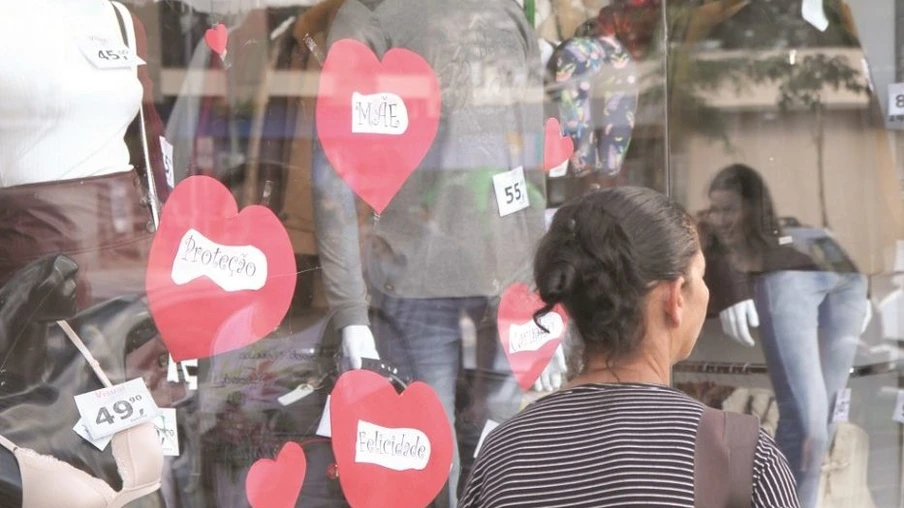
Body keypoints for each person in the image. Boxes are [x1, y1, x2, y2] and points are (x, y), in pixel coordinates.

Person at [459, 186, 799, 508]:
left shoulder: (504, 454)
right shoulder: (742, 456)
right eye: (702, 276)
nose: (706, 293)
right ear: (675, 296)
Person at [701, 164, 868, 508]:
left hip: (839, 285)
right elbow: (705, 253)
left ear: (752, 207)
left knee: (827, 421)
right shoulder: (719, 245)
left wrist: (860, 292)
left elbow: (829, 248)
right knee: (808, 423)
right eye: (714, 209)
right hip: (789, 284)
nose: (720, 219)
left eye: (729, 208)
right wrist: (732, 287)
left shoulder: (793, 237)